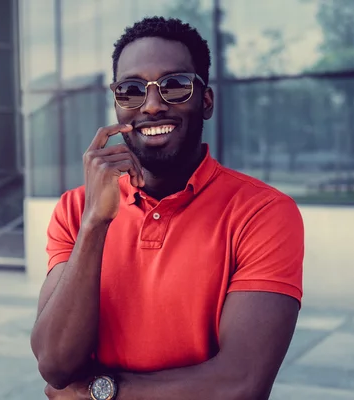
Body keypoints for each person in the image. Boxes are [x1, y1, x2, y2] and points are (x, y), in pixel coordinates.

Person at [31, 16, 304, 400]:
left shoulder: (263, 213)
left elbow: (240, 384)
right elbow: (56, 365)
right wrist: (95, 223)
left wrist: (100, 393)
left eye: (174, 86)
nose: (153, 105)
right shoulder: (76, 209)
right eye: (131, 90)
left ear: (205, 101)